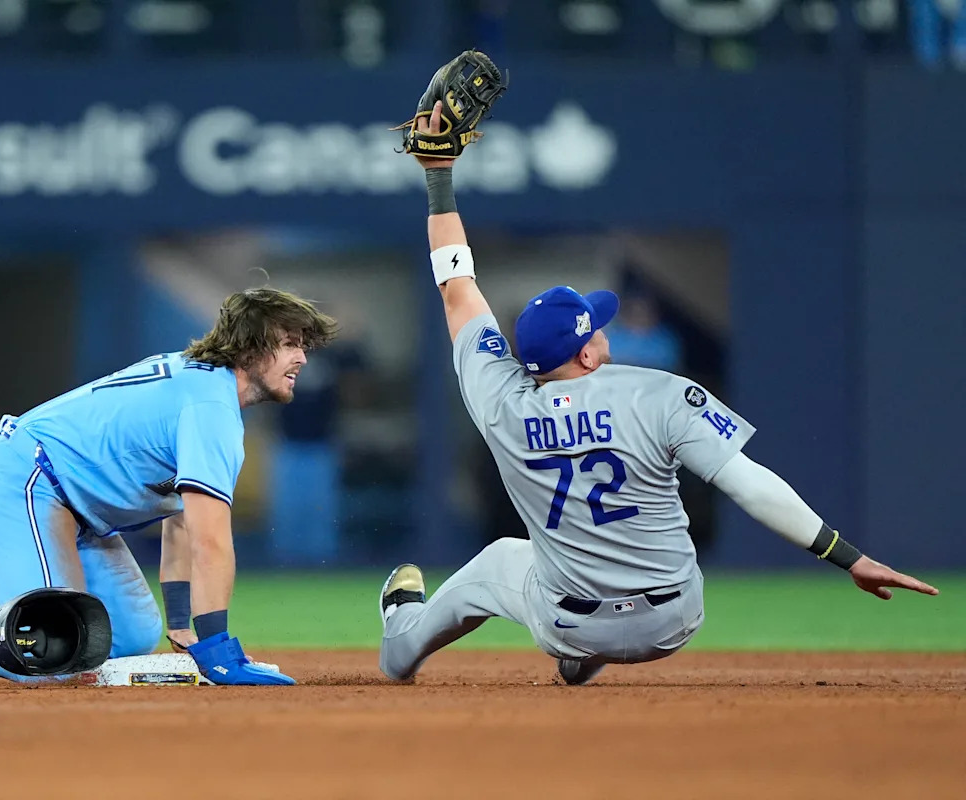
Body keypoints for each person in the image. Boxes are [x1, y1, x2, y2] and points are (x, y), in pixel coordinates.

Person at [378, 101, 939, 685]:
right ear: (588, 353)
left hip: (570, 621)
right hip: (674, 618)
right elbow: (749, 484)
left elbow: (457, 288)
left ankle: (402, 643)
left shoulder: (501, 402)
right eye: (597, 325)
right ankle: (581, 657)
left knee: (502, 557)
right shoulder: (661, 393)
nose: (604, 328)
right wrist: (848, 557)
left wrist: (438, 174)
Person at [0, 288, 337, 687]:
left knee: (128, 637)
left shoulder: (207, 389)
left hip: (71, 509)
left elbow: (182, 526)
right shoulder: (210, 407)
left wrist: (180, 626)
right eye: (290, 343)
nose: (302, 358)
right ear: (252, 347)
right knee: (56, 654)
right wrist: (219, 648)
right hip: (21, 481)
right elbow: (214, 541)